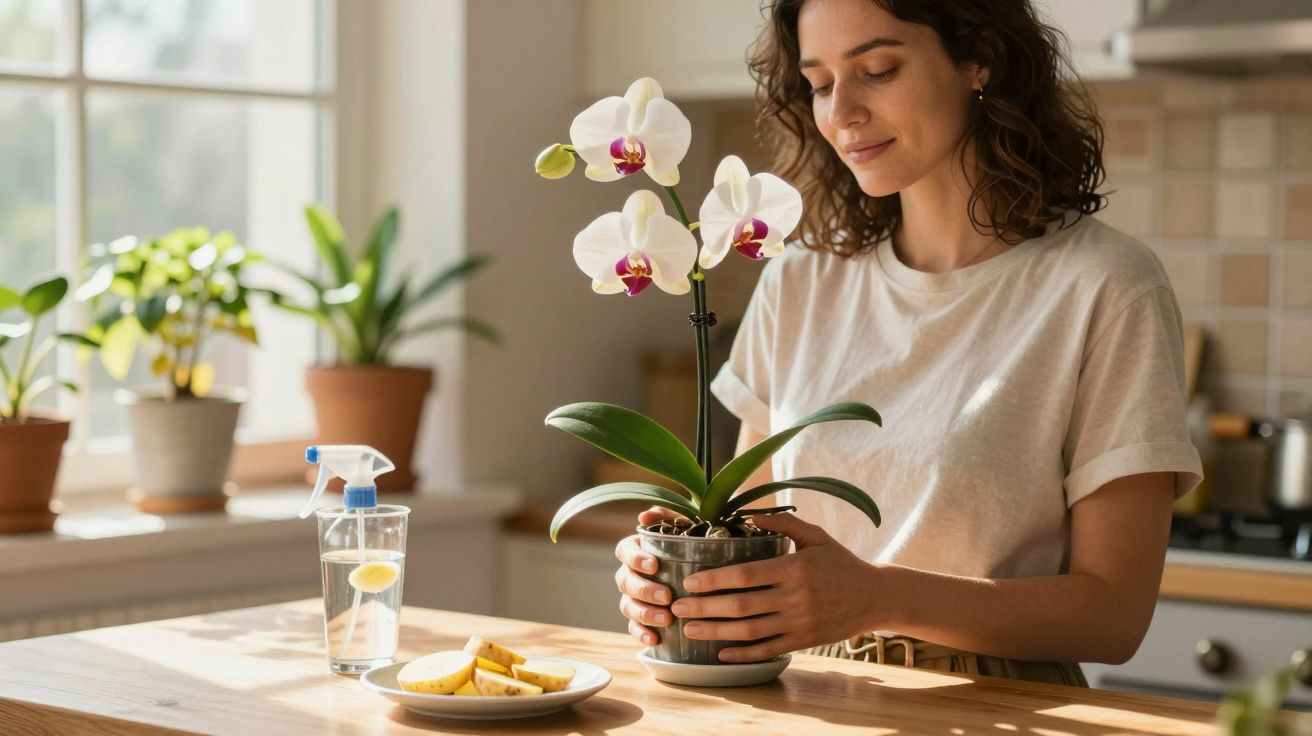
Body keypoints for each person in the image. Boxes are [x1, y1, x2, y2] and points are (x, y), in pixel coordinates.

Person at [612, 0, 1203, 687]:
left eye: (878, 70)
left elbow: (1114, 616)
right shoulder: (801, 280)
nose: (842, 113)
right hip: (799, 694)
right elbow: (749, 535)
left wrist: (875, 596)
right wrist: (673, 579)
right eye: (822, 83)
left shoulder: (1105, 287)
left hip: (994, 706)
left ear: (979, 58)